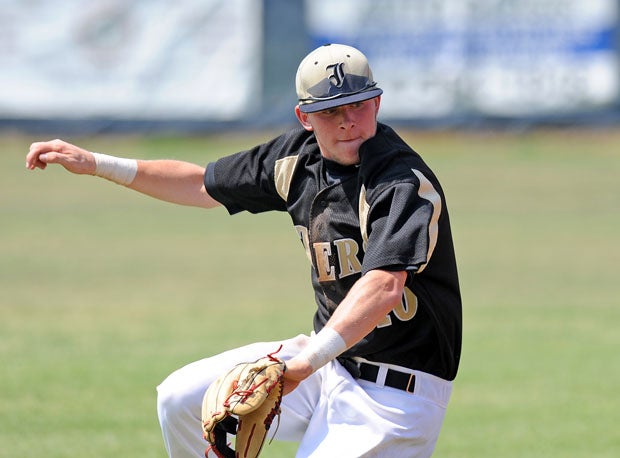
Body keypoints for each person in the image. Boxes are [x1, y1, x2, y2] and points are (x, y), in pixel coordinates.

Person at [26, 43, 462, 457]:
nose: (347, 120)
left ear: (377, 104)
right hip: (331, 366)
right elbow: (201, 183)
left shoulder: (400, 181)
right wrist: (98, 164)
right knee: (180, 400)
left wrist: (303, 364)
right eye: (329, 111)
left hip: (394, 396)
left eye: (358, 105)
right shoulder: (296, 160)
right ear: (304, 117)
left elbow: (384, 286)